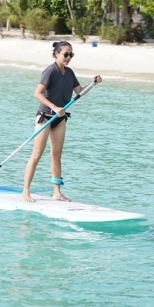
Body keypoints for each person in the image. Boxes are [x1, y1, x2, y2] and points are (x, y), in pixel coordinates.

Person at [22, 41, 102, 203]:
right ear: (56, 54)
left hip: (60, 118)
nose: (68, 58)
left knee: (57, 155)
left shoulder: (70, 73)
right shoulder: (50, 71)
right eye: (66, 54)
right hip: (45, 116)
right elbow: (37, 93)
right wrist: (54, 106)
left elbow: (79, 92)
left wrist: (93, 83)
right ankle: (26, 191)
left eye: (71, 55)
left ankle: (57, 192)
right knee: (37, 154)